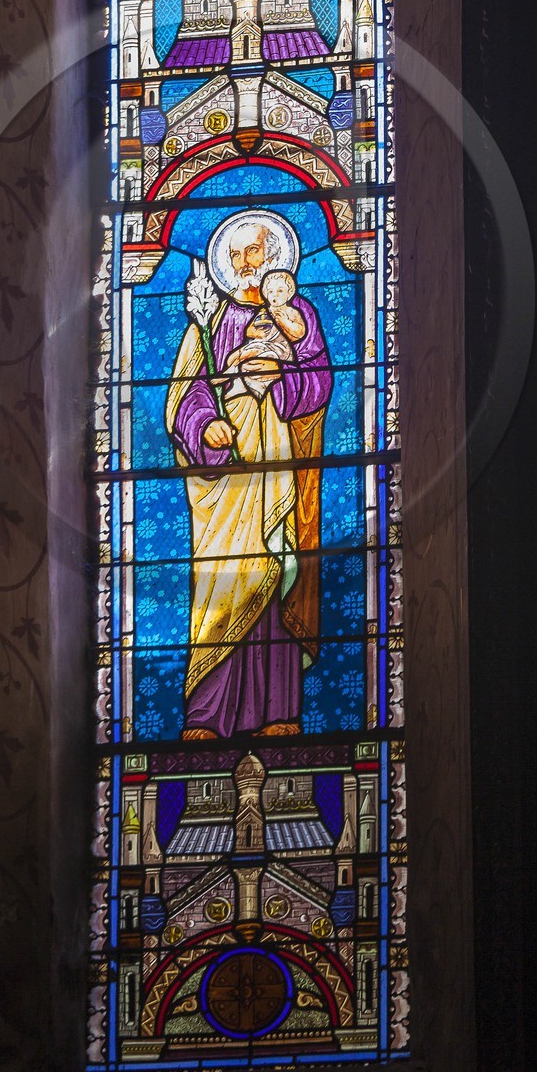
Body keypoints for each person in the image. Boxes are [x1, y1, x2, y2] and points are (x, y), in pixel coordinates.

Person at [164, 218, 332, 739]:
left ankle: (277, 712)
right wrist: (207, 425)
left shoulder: (297, 316)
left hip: (276, 465)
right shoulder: (206, 326)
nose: (245, 264)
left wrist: (282, 376)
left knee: (277, 565)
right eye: (234, 257)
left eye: (254, 252)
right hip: (225, 482)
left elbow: (320, 384)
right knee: (224, 578)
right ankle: (208, 713)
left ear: (275, 255)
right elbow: (182, 398)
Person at [225, 270, 307, 403]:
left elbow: (299, 333)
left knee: (255, 357)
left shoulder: (291, 311)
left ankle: (246, 384)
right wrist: (256, 333)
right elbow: (249, 330)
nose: (275, 295)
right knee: (235, 356)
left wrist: (284, 322)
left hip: (278, 348)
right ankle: (234, 378)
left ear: (289, 292)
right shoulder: (264, 311)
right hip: (260, 343)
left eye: (280, 291)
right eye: (271, 291)